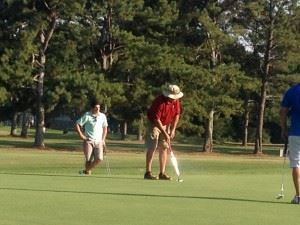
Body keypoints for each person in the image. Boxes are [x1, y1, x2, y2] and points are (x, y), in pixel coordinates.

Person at [144, 84, 183, 180]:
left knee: (164, 147)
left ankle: (162, 173)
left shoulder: (176, 101)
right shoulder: (160, 102)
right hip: (154, 123)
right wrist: (165, 133)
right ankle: (148, 172)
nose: (174, 99)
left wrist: (173, 130)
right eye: (172, 97)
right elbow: (156, 119)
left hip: (166, 123)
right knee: (152, 146)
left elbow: (177, 115)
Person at [75, 99, 108, 175]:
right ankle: (87, 173)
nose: (98, 109)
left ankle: (86, 170)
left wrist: (103, 140)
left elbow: (105, 128)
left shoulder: (102, 116)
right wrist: (81, 135)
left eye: (99, 107)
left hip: (99, 141)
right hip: (88, 140)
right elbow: (77, 124)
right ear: (92, 108)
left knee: (99, 158)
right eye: (96, 107)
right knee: (88, 159)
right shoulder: (87, 115)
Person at [280, 83, 300, 204]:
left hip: (295, 133)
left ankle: (299, 196)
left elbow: (283, 111)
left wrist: (283, 128)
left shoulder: (292, 91)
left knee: (297, 163)